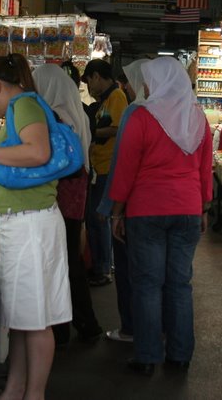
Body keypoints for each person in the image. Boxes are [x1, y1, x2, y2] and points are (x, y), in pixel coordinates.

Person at [0, 55, 71, 400]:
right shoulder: (21, 106)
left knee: (36, 321)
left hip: (32, 228)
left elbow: (38, 152)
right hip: (24, 222)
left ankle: (33, 394)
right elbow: (25, 184)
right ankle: (15, 389)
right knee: (25, 319)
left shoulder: (23, 104)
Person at [109, 57, 213, 375]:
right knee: (180, 284)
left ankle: (148, 356)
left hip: (147, 211)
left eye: (148, 81)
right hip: (188, 209)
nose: (144, 87)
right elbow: (205, 168)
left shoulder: (142, 116)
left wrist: (116, 211)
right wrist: (204, 207)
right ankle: (180, 355)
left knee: (147, 284)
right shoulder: (198, 118)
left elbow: (126, 169)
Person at [33, 64, 103, 347]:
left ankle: (64, 328)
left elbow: (49, 159)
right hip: (77, 191)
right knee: (69, 258)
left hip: (61, 193)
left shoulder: (54, 116)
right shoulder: (78, 112)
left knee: (59, 261)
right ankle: (84, 323)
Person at [98, 58, 149, 344]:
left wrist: (113, 210)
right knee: (160, 277)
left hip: (136, 207)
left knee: (130, 272)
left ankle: (132, 328)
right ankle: (159, 332)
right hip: (178, 208)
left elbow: (123, 166)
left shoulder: (135, 113)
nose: (126, 87)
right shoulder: (183, 112)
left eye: (129, 81)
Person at [81, 59, 128, 286]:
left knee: (99, 218)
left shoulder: (117, 97)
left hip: (108, 166)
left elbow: (119, 129)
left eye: (89, 81)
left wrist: (91, 133)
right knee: (95, 218)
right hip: (99, 166)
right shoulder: (105, 100)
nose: (89, 87)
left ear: (97, 76)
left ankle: (103, 269)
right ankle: (102, 266)